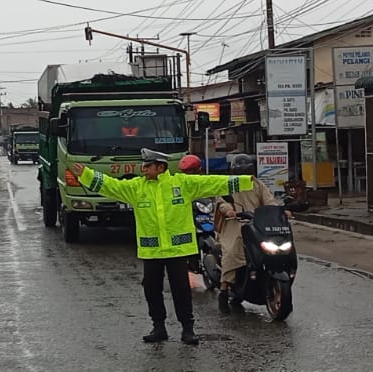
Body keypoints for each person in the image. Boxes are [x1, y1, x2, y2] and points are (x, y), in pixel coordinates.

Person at [65, 148, 256, 345]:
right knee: (151, 289)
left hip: (178, 250)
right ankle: (159, 327)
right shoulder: (137, 187)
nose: (143, 169)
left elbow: (214, 183)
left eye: (148, 166)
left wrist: (246, 181)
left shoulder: (182, 184)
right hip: (152, 251)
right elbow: (111, 186)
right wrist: (87, 175)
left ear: (160, 167)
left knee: (181, 290)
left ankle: (187, 329)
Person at [214, 154, 281, 314]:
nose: (245, 175)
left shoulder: (258, 184)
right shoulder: (227, 185)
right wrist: (229, 210)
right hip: (234, 224)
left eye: (248, 171)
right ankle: (224, 290)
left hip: (255, 223)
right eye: (242, 172)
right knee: (232, 252)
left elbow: (269, 201)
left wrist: (278, 211)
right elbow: (220, 202)